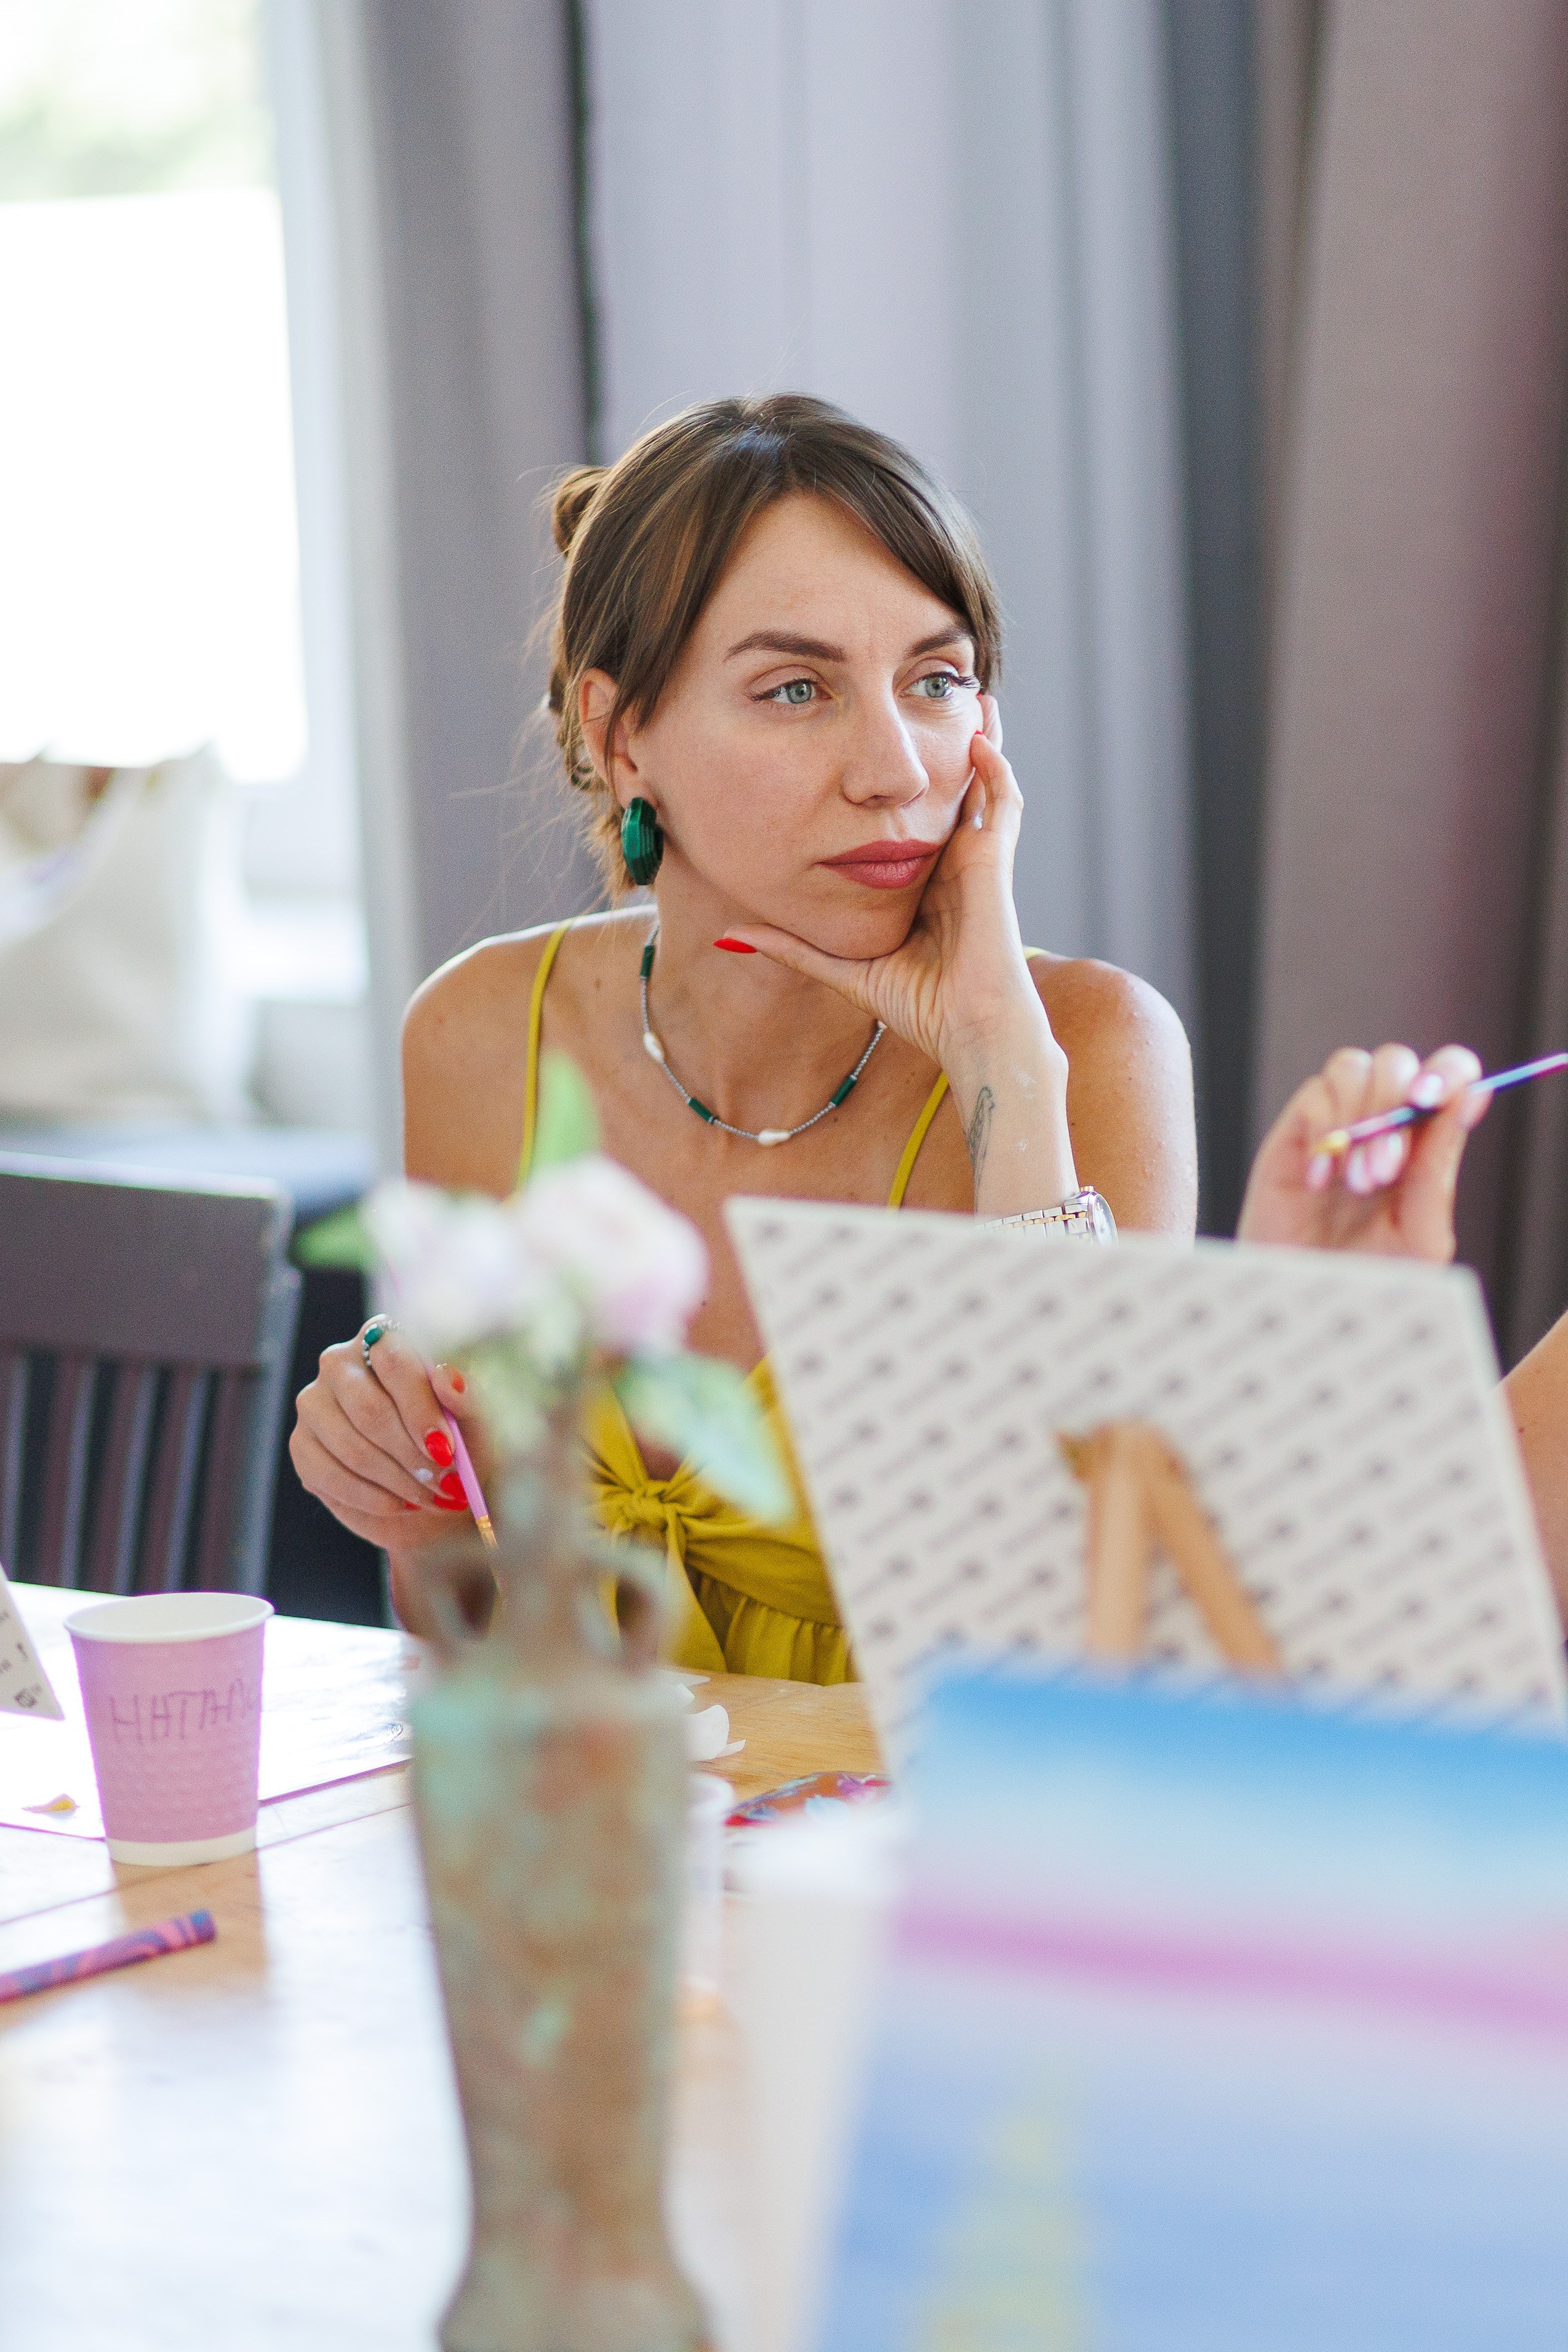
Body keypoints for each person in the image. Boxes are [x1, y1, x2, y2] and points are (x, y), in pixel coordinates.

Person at [290, 395, 1198, 1673]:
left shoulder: (1091, 1051)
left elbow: (1114, 1633)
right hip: (614, 1842)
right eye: (794, 689)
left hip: (944, 1851)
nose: (893, 766)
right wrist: (415, 1499)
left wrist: (1002, 1066)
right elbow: (482, 1643)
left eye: (937, 680)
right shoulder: (484, 1035)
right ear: (621, 738)